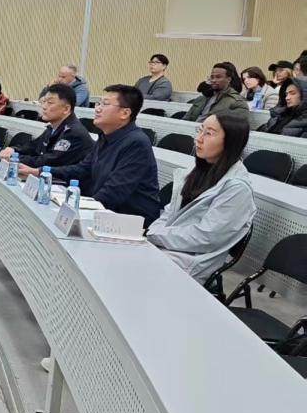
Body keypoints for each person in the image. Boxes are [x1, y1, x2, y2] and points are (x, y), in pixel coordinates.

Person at [19, 84, 161, 226]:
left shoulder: (136, 143)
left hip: (130, 222)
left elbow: (114, 192)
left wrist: (81, 211)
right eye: (98, 103)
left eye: (105, 104)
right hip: (104, 212)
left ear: (125, 113)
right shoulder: (105, 136)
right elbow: (82, 169)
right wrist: (39, 172)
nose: (97, 109)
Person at [146, 113, 256, 284]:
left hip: (190, 263)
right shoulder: (197, 172)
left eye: (209, 133)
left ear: (231, 142)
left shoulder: (237, 189)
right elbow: (168, 213)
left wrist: (155, 234)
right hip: (166, 247)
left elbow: (205, 237)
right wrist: (153, 233)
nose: (198, 139)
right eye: (200, 130)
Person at [0, 83, 93, 169]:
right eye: (44, 101)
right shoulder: (53, 127)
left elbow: (48, 161)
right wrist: (13, 150)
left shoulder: (74, 133)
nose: (44, 107)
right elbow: (33, 146)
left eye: (50, 103)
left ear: (66, 109)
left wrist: (15, 158)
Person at [183, 63, 249, 122]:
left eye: (218, 77)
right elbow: (186, 119)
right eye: (212, 77)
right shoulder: (203, 98)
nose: (214, 80)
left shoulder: (237, 102)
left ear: (229, 79)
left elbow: (237, 127)